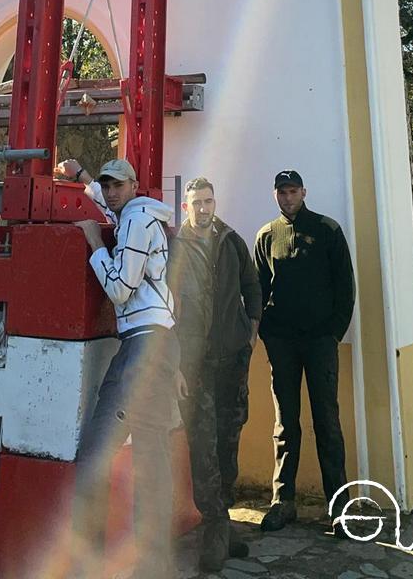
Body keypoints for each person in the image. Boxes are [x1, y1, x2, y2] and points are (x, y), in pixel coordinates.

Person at [58, 157, 179, 579]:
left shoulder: (133, 222)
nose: (110, 193)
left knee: (102, 453)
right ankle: (151, 564)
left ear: (134, 186)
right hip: (157, 344)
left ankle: (89, 560)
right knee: (149, 458)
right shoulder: (143, 214)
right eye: (106, 185)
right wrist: (83, 178)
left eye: (116, 185)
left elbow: (121, 289)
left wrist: (94, 245)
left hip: (141, 348)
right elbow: (115, 212)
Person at [253, 169, 355, 534]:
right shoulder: (266, 235)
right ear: (275, 194)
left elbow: (346, 287)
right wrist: (265, 331)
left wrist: (332, 334)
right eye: (281, 192)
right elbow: (259, 289)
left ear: (303, 192)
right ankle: (284, 501)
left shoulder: (327, 231)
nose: (287, 197)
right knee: (285, 425)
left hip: (320, 342)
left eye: (293, 191)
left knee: (327, 421)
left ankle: (339, 506)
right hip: (282, 343)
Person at [170, 177, 262, 572]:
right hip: (195, 365)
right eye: (197, 203)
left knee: (228, 442)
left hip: (233, 360)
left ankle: (222, 526)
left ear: (214, 202)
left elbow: (252, 283)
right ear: (186, 206)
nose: (204, 208)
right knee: (203, 447)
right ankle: (214, 530)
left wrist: (252, 328)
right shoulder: (175, 247)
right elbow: (164, 306)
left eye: (208, 201)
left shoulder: (231, 241)